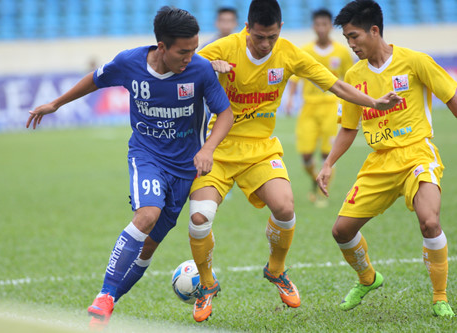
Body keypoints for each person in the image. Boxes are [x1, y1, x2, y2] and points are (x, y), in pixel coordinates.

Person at [188, 0, 402, 322]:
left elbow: (335, 84)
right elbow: (181, 68)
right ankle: (206, 285)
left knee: (286, 208)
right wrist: (204, 68)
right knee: (200, 217)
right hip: (218, 147)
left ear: (280, 30)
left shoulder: (287, 53)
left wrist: (374, 102)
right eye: (258, 37)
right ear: (247, 28)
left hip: (261, 148)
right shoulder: (221, 49)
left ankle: (276, 269)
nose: (264, 45)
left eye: (271, 37)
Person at [26, 6, 233, 330]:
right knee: (147, 214)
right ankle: (105, 294)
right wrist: (57, 103)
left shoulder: (201, 70)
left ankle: (105, 307)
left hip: (185, 168)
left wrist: (208, 148)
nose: (190, 57)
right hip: (147, 155)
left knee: (149, 246)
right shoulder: (129, 63)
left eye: (194, 49)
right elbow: (96, 79)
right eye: (183, 51)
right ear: (161, 47)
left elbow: (226, 113)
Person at [316, 0, 457, 317]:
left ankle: (439, 297)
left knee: (430, 221)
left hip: (417, 154)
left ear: (374, 30)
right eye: (347, 39)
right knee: (341, 231)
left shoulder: (415, 61)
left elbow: (452, 97)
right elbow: (348, 128)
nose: (351, 45)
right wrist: (328, 164)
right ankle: (367, 278)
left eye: (354, 36)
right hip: (379, 162)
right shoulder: (353, 76)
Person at [285, 8, 353, 207]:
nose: (321, 28)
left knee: (327, 155)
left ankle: (323, 192)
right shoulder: (305, 51)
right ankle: (315, 178)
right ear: (313, 26)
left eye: (325, 24)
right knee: (306, 155)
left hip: (331, 108)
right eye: (318, 24)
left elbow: (349, 78)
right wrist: (290, 99)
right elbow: (296, 77)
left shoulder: (341, 52)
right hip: (309, 109)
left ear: (330, 26)